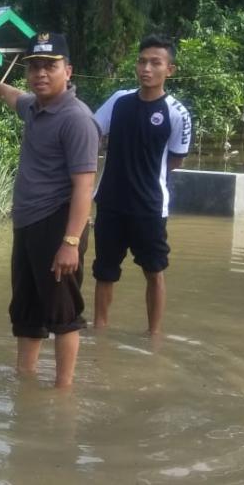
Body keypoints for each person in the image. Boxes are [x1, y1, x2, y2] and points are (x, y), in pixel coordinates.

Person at [0, 32, 99, 388]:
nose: (41, 74)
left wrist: (70, 241)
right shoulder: (34, 107)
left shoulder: (76, 119)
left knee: (64, 313)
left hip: (59, 224)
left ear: (68, 70)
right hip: (28, 224)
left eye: (50, 66)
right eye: (34, 67)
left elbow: (84, 186)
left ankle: (64, 390)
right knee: (27, 310)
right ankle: (26, 381)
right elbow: (13, 96)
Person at [92, 35, 191, 335]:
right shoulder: (119, 101)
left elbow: (175, 160)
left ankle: (154, 336)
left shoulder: (178, 113)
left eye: (155, 63)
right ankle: (99, 331)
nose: (146, 68)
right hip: (110, 202)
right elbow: (91, 134)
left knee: (154, 271)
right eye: (142, 61)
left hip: (149, 206)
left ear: (169, 70)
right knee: (104, 272)